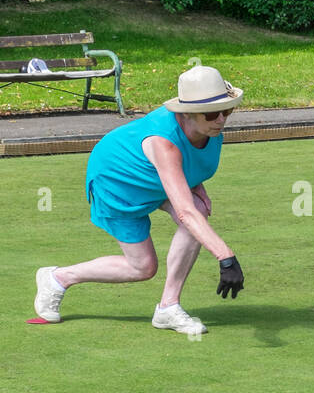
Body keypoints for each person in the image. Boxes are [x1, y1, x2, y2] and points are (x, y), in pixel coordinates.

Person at [32, 65, 245, 334]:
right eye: (214, 113)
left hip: (155, 179)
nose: (222, 119)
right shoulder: (163, 142)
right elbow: (184, 210)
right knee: (143, 266)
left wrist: (195, 182)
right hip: (118, 181)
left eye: (227, 110)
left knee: (199, 209)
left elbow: (187, 162)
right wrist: (226, 257)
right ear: (187, 113)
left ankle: (168, 308)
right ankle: (58, 277)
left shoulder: (208, 129)